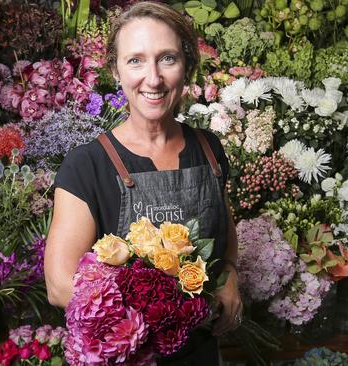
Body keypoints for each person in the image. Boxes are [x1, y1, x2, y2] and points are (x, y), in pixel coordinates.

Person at [44, 2, 242, 364]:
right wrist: (152, 319)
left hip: (201, 354)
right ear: (116, 71)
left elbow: (224, 237)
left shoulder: (209, 149)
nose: (153, 78)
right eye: (135, 60)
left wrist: (228, 276)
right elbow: (59, 287)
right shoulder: (87, 165)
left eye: (167, 58)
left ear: (187, 68)